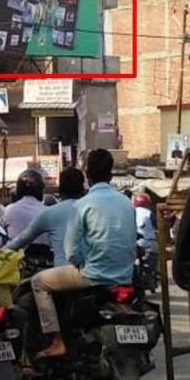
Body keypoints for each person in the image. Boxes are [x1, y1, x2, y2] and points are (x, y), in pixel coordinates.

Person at [30, 150, 136, 358]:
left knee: (38, 282)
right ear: (111, 173)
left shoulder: (83, 205)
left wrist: (81, 262)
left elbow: (71, 250)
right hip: (125, 275)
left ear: (87, 173)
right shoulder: (126, 202)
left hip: (93, 275)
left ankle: (57, 341)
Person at [6, 167, 85, 267]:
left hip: (61, 272)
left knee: (37, 281)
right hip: (93, 272)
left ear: (60, 191)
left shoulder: (48, 213)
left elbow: (21, 240)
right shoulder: (92, 211)